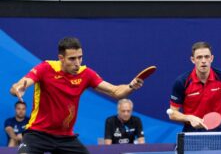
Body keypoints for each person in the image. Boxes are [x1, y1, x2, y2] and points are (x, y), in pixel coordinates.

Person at [10, 37, 143, 154]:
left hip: (65, 137)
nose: (77, 63)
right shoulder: (46, 68)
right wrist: (18, 88)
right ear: (61, 58)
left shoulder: (86, 74)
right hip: (37, 133)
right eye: (72, 59)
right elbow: (20, 84)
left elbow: (116, 92)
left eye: (80, 57)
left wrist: (131, 86)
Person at [168, 41, 221, 132]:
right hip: (192, 133)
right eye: (199, 57)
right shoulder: (182, 82)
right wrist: (189, 117)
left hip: (219, 131)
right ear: (193, 60)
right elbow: (172, 113)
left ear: (211, 58)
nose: (203, 61)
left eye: (206, 56)